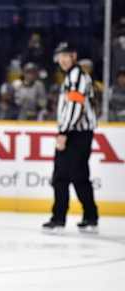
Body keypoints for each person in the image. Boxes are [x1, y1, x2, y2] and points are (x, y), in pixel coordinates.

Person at [42, 43, 99, 234]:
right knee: (77, 176)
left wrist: (64, 133)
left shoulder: (77, 77)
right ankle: (90, 216)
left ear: (74, 56)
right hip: (76, 133)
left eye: (66, 55)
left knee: (63, 177)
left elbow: (76, 106)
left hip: (76, 134)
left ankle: (60, 218)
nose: (62, 59)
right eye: (60, 56)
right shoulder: (73, 76)